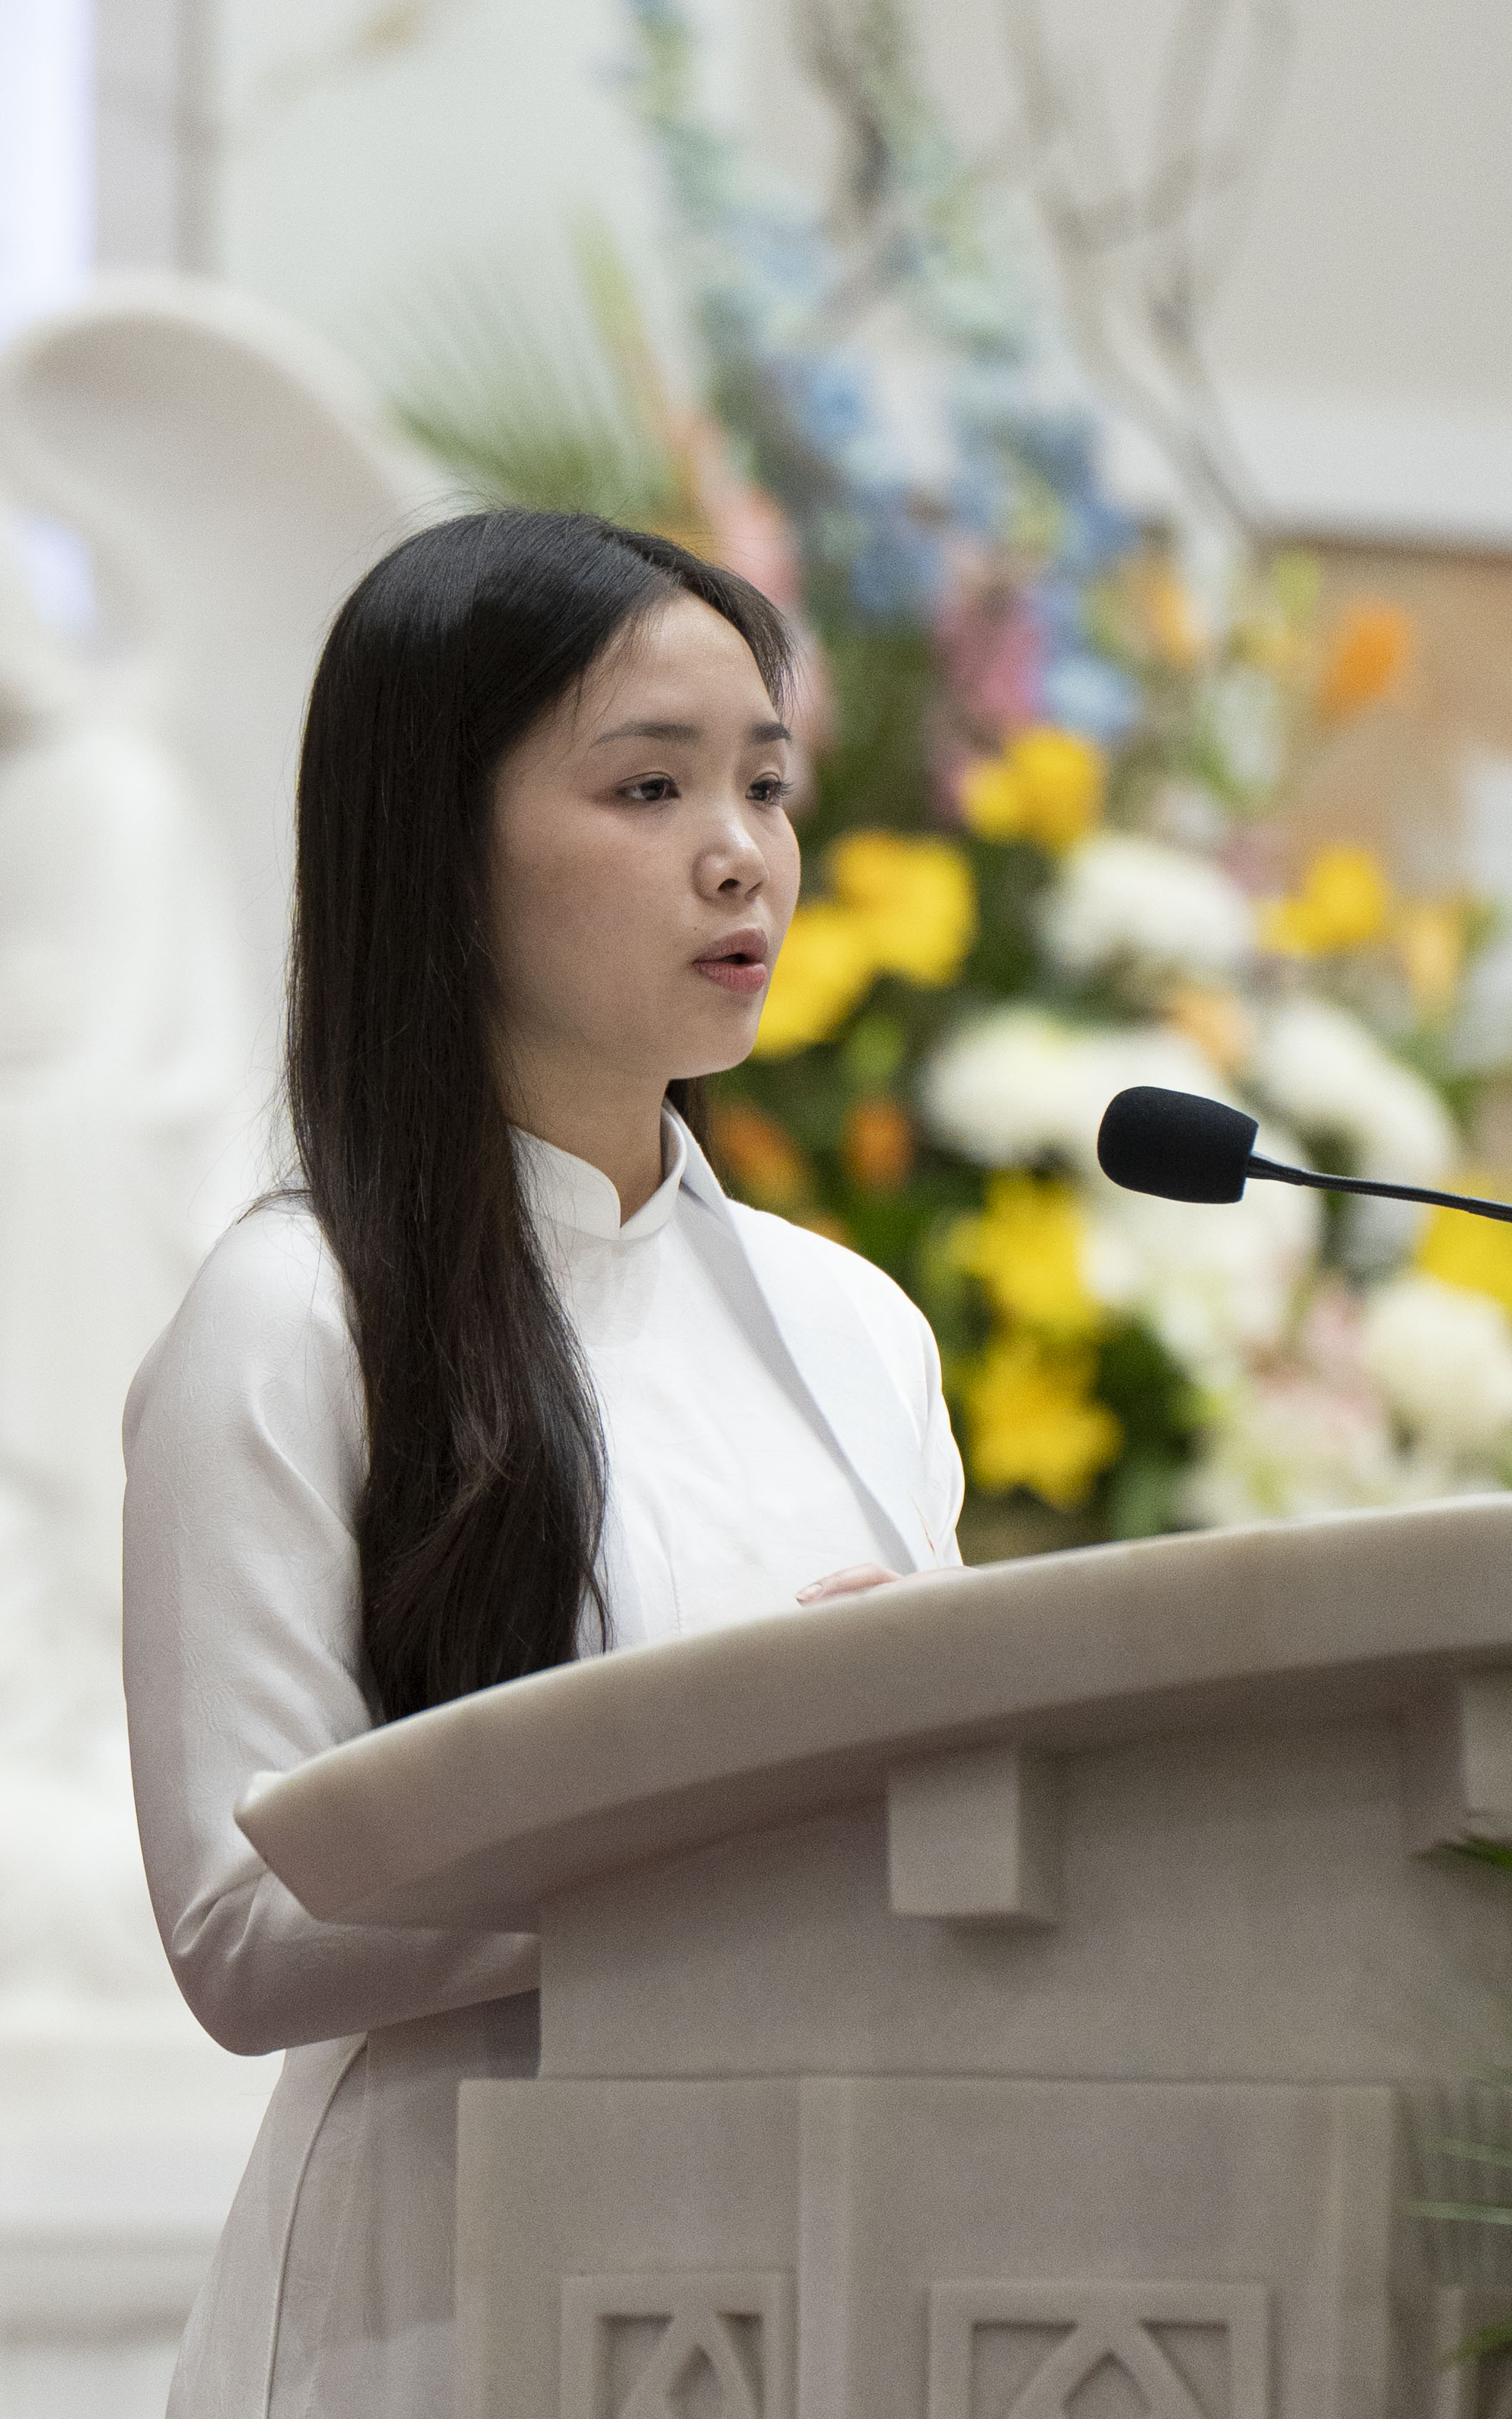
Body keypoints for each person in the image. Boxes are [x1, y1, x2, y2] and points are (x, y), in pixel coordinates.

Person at [122, 510, 965, 2416]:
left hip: (831, 2269)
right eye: (650, 787)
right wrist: (740, 1804)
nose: (740, 851)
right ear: (436, 844)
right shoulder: (296, 1315)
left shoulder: (855, 1330)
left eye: (766, 784)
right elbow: (244, 1928)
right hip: (438, 2296)